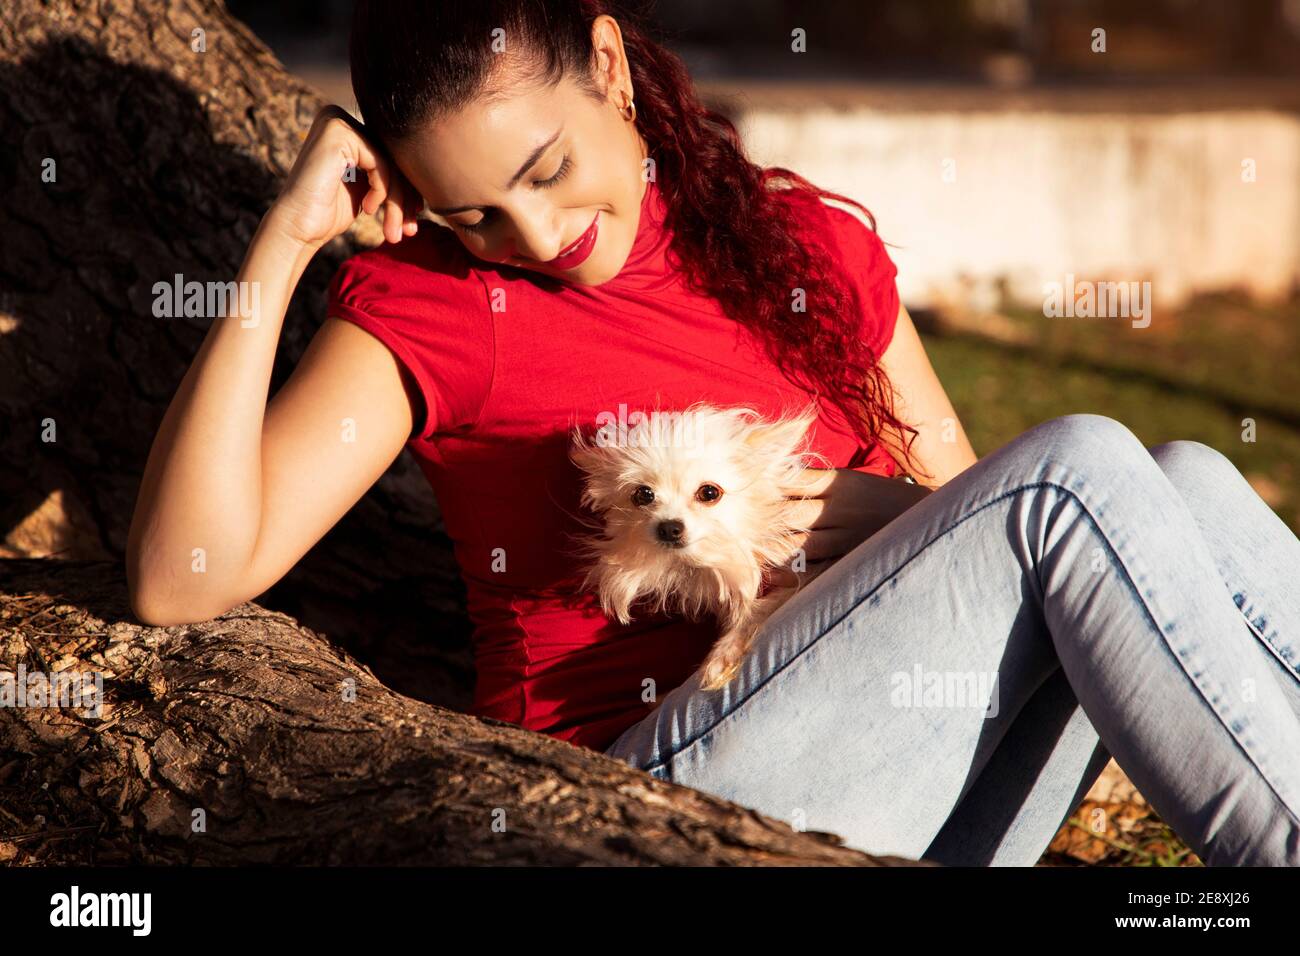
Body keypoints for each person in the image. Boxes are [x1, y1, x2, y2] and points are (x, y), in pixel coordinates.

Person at [125, 0, 1300, 866]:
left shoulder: (804, 242)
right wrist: (280, 248)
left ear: (607, 63)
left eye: (547, 168)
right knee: (1084, 468)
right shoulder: (432, 304)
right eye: (473, 211)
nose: (535, 236)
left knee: (1179, 478)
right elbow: (183, 580)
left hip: (918, 792)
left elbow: (974, 517)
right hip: (642, 803)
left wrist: (834, 517)